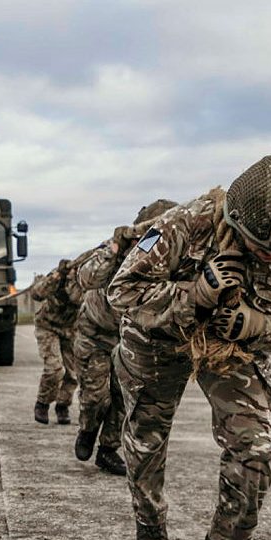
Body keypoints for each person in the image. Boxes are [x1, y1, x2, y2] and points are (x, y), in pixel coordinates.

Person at [109, 154, 271, 540]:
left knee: (256, 445)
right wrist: (195, 293)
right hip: (160, 337)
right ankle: (149, 518)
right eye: (259, 244)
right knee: (147, 434)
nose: (270, 255)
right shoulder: (185, 225)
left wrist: (258, 325)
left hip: (233, 346)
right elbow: (123, 291)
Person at [72, 199, 176, 475]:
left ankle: (107, 450)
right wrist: (115, 249)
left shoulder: (170, 253)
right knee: (97, 397)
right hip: (94, 333)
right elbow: (86, 278)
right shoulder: (119, 248)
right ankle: (88, 428)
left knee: (123, 399)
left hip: (129, 337)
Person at [31, 259, 83, 425]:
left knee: (73, 373)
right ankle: (42, 403)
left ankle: (63, 406)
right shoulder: (57, 278)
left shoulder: (86, 281)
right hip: (48, 326)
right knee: (54, 369)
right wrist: (56, 276)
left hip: (70, 330)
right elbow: (37, 293)